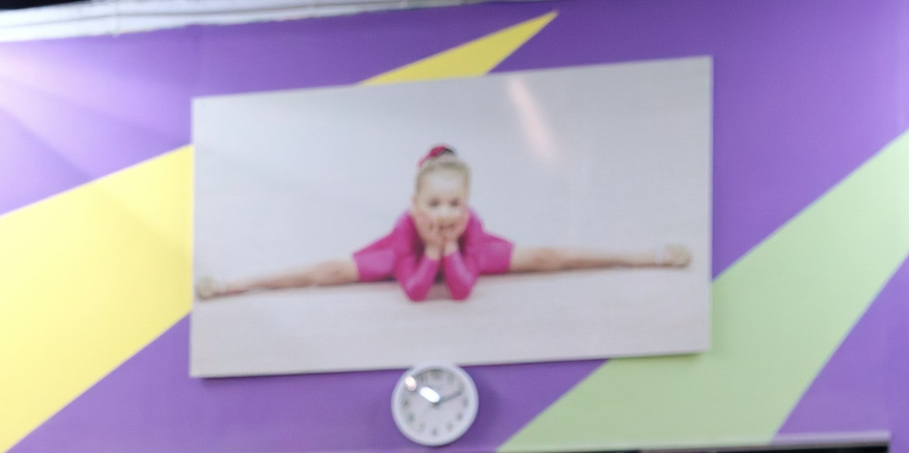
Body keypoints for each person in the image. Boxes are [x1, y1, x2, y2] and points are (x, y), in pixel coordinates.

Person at [198, 145, 692, 302]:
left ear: (466, 203)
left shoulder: (469, 226)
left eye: (454, 203)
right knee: (326, 271)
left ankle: (648, 255)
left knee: (548, 257)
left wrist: (451, 249)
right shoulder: (404, 229)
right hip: (404, 254)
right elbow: (415, 290)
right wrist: (431, 250)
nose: (444, 214)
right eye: (434, 204)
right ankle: (232, 285)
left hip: (472, 252)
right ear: (416, 205)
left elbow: (461, 288)